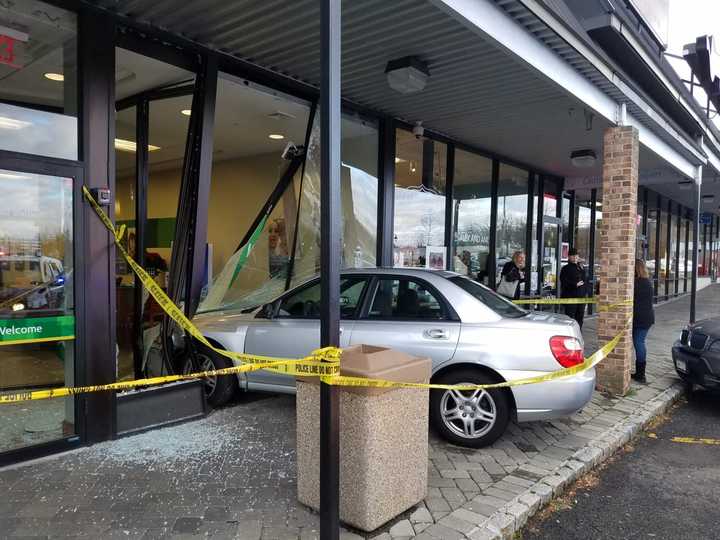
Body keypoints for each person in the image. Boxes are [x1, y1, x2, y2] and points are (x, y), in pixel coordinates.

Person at [632, 259, 655, 384]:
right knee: (639, 342)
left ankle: (641, 375)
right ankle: (640, 373)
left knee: (638, 343)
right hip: (647, 318)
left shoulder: (636, 283)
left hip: (639, 319)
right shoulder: (647, 282)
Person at [560, 248, 587, 328]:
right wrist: (575, 284)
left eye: (576, 255)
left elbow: (585, 282)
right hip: (571, 298)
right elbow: (563, 282)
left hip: (581, 299)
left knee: (580, 318)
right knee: (570, 319)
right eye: (573, 255)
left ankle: (578, 334)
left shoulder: (581, 268)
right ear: (569, 257)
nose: (575, 257)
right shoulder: (565, 268)